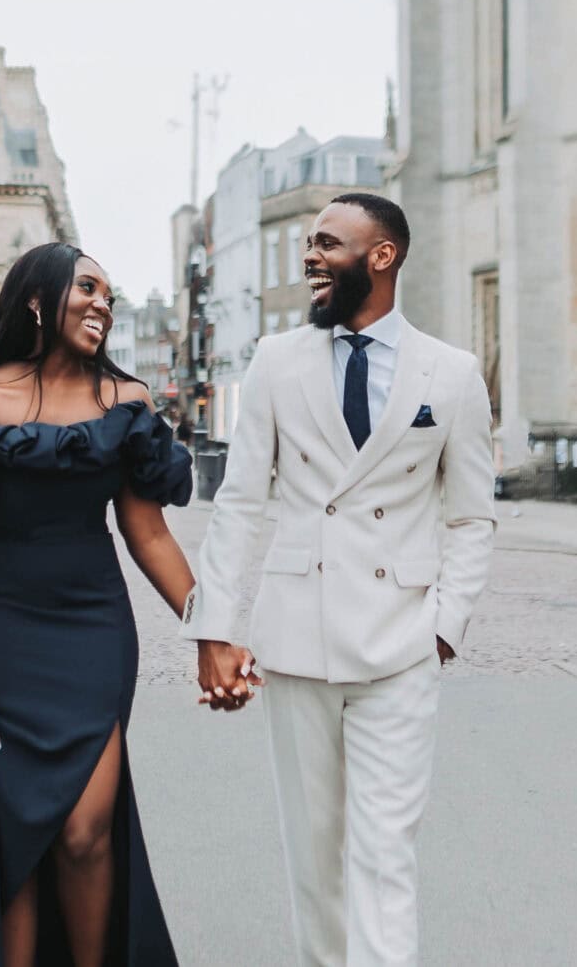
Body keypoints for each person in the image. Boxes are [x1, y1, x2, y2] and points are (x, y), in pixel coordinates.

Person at [180, 192, 495, 967]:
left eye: (327, 243)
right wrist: (214, 629)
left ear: (381, 256)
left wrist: (444, 629)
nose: (310, 256)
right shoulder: (276, 362)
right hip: (296, 641)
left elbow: (472, 517)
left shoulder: (450, 374)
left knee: (386, 854)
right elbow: (240, 504)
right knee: (314, 858)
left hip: (402, 646)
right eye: (308, 243)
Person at [0, 242, 200, 967]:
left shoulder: (125, 403)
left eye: (110, 294)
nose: (103, 302)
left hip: (94, 631)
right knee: (16, 836)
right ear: (39, 299)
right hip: (4, 636)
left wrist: (211, 628)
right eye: (88, 287)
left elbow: (148, 532)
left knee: (85, 830)